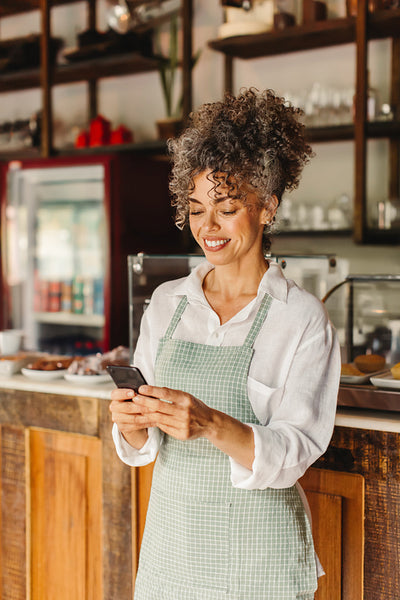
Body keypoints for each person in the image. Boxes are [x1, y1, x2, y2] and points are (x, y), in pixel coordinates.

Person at [110, 88, 341, 600]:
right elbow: (144, 448)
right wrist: (129, 426)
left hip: (260, 560)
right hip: (173, 550)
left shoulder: (301, 319)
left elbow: (295, 451)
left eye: (227, 207)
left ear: (267, 207)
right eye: (195, 209)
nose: (207, 227)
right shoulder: (168, 304)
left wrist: (210, 423)